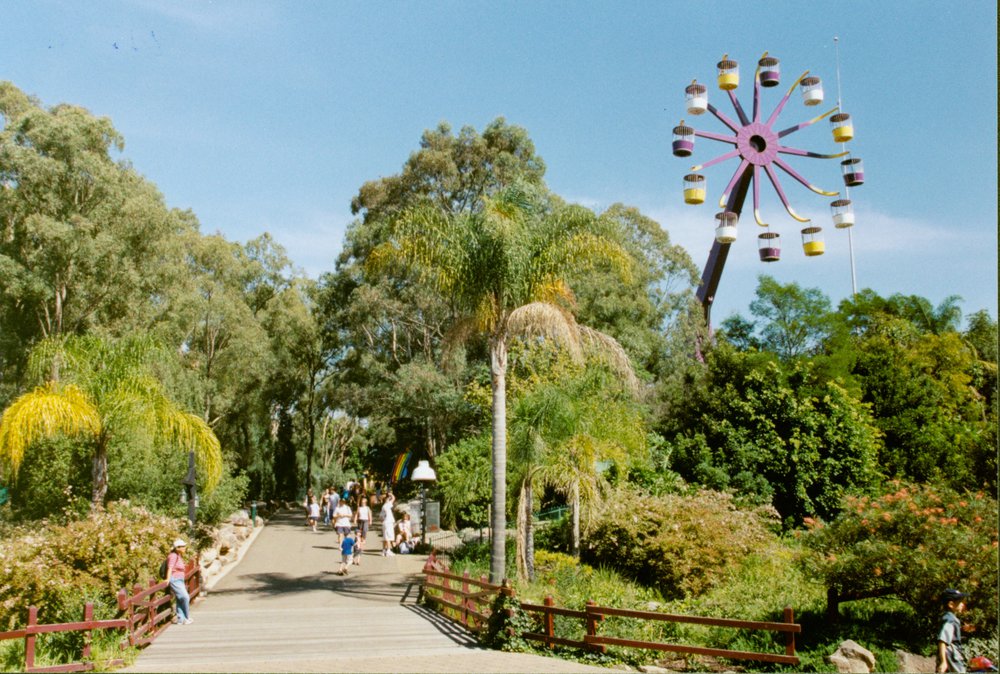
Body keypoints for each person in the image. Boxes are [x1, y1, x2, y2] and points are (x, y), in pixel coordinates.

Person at [938, 588, 968, 673]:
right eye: (960, 602)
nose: (962, 604)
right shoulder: (950, 620)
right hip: (951, 656)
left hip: (950, 656)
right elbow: (942, 640)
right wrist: (943, 662)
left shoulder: (949, 618)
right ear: (951, 604)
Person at [165, 538, 193, 625]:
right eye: (183, 547)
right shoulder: (173, 556)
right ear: (177, 548)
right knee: (185, 597)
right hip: (175, 579)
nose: (185, 548)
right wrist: (168, 579)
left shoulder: (178, 555)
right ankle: (186, 617)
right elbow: (170, 567)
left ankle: (181, 619)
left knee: (180, 599)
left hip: (179, 579)